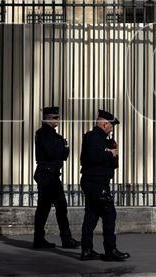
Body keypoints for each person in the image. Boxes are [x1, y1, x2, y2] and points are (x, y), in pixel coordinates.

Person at [79, 109, 130, 262]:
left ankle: (87, 250)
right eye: (111, 125)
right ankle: (110, 250)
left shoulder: (104, 140)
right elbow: (92, 157)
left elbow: (114, 165)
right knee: (109, 215)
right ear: (103, 123)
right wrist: (109, 153)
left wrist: (114, 152)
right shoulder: (93, 137)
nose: (112, 128)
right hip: (95, 182)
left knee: (91, 216)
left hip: (99, 181)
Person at [32, 106, 79, 250]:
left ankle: (39, 240)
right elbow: (53, 153)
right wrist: (63, 147)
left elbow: (64, 155)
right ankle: (65, 239)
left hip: (50, 174)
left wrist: (62, 149)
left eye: (58, 117)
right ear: (46, 118)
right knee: (58, 207)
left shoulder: (53, 135)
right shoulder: (44, 133)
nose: (58, 120)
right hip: (47, 175)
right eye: (55, 117)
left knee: (45, 208)